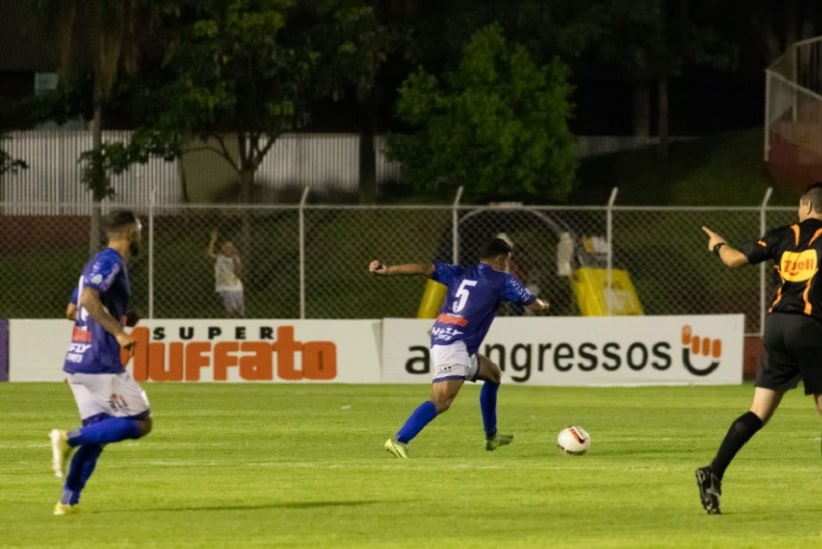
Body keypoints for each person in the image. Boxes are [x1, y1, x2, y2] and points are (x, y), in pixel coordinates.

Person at [696, 182, 822, 515]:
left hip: (777, 325)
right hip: (811, 328)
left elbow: (734, 259)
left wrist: (717, 244)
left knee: (758, 413)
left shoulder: (783, 234)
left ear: (805, 206)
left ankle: (713, 473)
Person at [369, 237, 549, 458]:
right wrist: (543, 304)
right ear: (501, 259)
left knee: (493, 375)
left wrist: (388, 271)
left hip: (446, 337)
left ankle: (491, 436)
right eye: (507, 261)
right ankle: (399, 440)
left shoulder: (459, 272)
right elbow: (534, 304)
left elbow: (424, 268)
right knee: (441, 401)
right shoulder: (502, 280)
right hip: (455, 345)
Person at [49, 210, 153, 516]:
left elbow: (71, 310)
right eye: (140, 230)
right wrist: (119, 332)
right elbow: (88, 300)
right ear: (131, 233)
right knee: (141, 422)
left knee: (100, 433)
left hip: (78, 361)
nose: (141, 235)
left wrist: (121, 317)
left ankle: (67, 502)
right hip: (100, 361)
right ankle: (68, 438)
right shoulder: (110, 261)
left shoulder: (92, 264)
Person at [207, 229, 245, 317]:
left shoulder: (234, 259)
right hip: (225, 286)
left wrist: (237, 264)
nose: (228, 249)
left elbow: (238, 275)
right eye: (226, 247)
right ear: (222, 248)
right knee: (231, 310)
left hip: (236, 286)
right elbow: (209, 254)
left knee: (240, 311)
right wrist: (213, 240)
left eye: (230, 247)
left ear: (233, 249)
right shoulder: (220, 257)